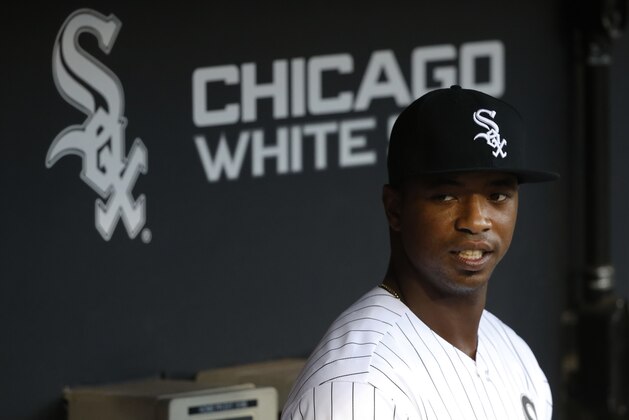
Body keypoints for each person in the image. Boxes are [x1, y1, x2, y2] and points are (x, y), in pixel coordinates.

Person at [281, 85, 557, 420]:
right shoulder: (358, 388)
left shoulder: (515, 355)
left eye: (497, 195)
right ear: (395, 209)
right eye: (445, 196)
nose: (476, 221)